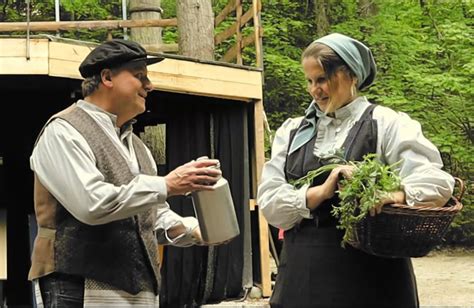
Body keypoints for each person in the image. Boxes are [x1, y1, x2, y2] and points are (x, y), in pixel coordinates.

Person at [257, 33, 454, 308]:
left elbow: (438, 183)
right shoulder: (292, 131)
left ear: (351, 75)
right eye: (310, 81)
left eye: (322, 79)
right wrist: (319, 193)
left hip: (373, 277)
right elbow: (270, 203)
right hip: (302, 276)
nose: (315, 90)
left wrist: (395, 194)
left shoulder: (385, 123)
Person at [28, 39, 222, 307]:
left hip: (139, 289)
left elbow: (149, 218)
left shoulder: (138, 148)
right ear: (107, 77)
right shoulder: (63, 131)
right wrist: (167, 184)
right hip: (80, 285)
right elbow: (92, 204)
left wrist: (195, 229)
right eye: (139, 76)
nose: (149, 85)